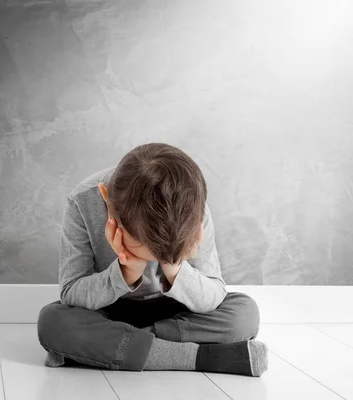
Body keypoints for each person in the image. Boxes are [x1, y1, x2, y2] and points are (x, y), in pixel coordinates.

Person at [37, 143, 268, 376]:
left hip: (176, 314)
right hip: (108, 308)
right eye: (145, 250)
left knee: (244, 313)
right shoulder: (82, 202)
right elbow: (70, 293)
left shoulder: (192, 209)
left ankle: (122, 346)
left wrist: (174, 265)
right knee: (53, 321)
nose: (153, 260)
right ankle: (199, 357)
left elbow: (213, 294)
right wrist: (126, 271)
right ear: (108, 203)